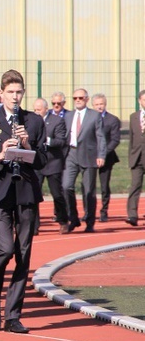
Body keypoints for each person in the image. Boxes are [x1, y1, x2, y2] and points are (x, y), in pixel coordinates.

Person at [0, 70, 47, 333]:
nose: (15, 97)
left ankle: (13, 314)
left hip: (26, 192)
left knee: (23, 254)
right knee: (3, 249)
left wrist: (27, 144)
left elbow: (43, 162)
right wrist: (2, 154)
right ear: (1, 93)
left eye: (19, 92)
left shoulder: (35, 121)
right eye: (10, 92)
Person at [61, 88, 106, 233]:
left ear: (86, 99)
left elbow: (100, 136)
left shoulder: (94, 116)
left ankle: (90, 221)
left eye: (80, 98)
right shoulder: (68, 115)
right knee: (66, 186)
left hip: (89, 155)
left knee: (88, 191)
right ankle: (73, 218)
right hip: (71, 154)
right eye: (75, 98)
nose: (78, 100)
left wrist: (101, 155)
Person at [32, 98, 69, 234]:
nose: (36, 112)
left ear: (46, 109)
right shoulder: (32, 121)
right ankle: (34, 225)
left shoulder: (57, 121)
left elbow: (61, 141)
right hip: (37, 163)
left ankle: (63, 220)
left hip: (53, 163)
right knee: (34, 195)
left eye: (39, 109)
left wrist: (46, 141)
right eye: (35, 109)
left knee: (57, 194)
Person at [91, 94, 120, 222]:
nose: (99, 107)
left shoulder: (112, 120)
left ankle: (104, 210)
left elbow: (115, 140)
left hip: (107, 157)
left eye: (101, 104)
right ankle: (89, 211)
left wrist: (102, 154)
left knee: (104, 185)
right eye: (97, 104)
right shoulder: (89, 119)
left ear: (105, 104)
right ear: (93, 106)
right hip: (90, 157)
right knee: (88, 185)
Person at [125, 90, 145, 226]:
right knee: (135, 186)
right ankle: (132, 215)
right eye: (144, 99)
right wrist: (131, 157)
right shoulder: (133, 117)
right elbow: (131, 139)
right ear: (139, 101)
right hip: (137, 158)